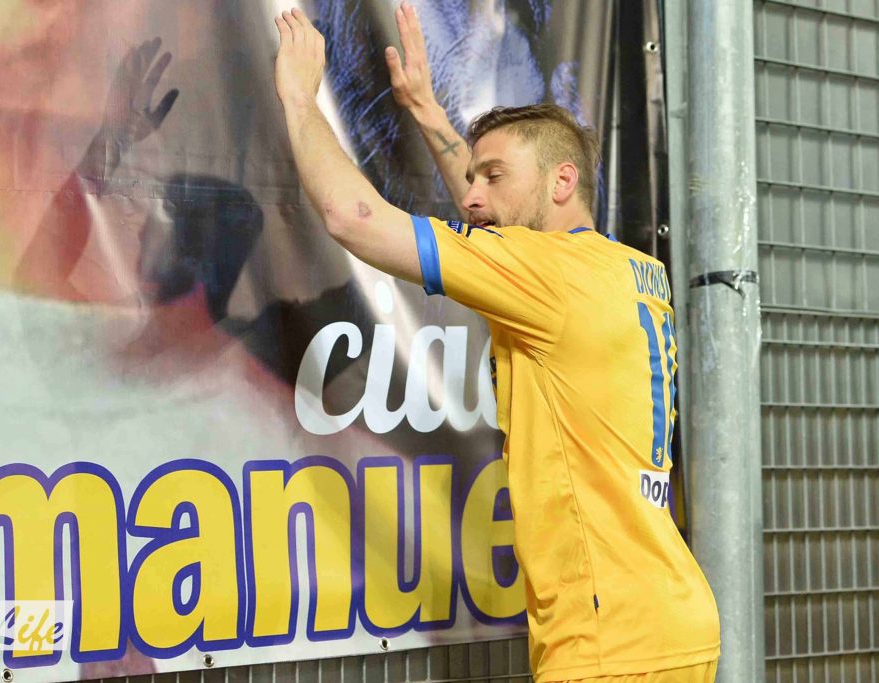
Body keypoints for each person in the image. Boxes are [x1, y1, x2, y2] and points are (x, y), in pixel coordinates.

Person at [272, 4, 720, 682]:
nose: (472, 196)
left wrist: (300, 99)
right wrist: (425, 109)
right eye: (474, 176)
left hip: (609, 644)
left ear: (562, 181)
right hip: (669, 621)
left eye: (494, 176)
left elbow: (353, 216)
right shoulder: (624, 269)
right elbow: (494, 217)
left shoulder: (546, 275)